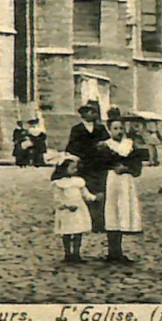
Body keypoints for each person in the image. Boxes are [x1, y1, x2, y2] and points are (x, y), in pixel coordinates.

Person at [98, 114, 148, 264]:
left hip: (126, 182)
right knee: (111, 212)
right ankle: (112, 251)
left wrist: (126, 168)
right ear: (109, 130)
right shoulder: (105, 146)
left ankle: (119, 252)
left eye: (121, 128)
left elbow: (137, 165)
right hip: (111, 182)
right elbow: (99, 165)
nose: (118, 131)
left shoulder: (130, 145)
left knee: (123, 211)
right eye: (115, 128)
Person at [64, 100, 110, 233]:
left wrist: (103, 145)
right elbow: (72, 147)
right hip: (84, 166)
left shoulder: (100, 128)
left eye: (94, 112)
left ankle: (99, 223)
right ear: (83, 114)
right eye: (90, 112)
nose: (93, 114)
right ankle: (87, 222)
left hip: (99, 165)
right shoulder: (77, 129)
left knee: (100, 193)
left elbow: (108, 142)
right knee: (86, 193)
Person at [51, 155, 99, 263]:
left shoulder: (79, 181)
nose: (75, 170)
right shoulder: (59, 184)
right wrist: (66, 206)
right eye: (72, 168)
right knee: (67, 232)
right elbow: (57, 199)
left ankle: (76, 253)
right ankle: (68, 253)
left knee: (78, 231)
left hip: (78, 209)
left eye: (76, 168)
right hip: (66, 211)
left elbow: (85, 194)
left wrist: (95, 198)